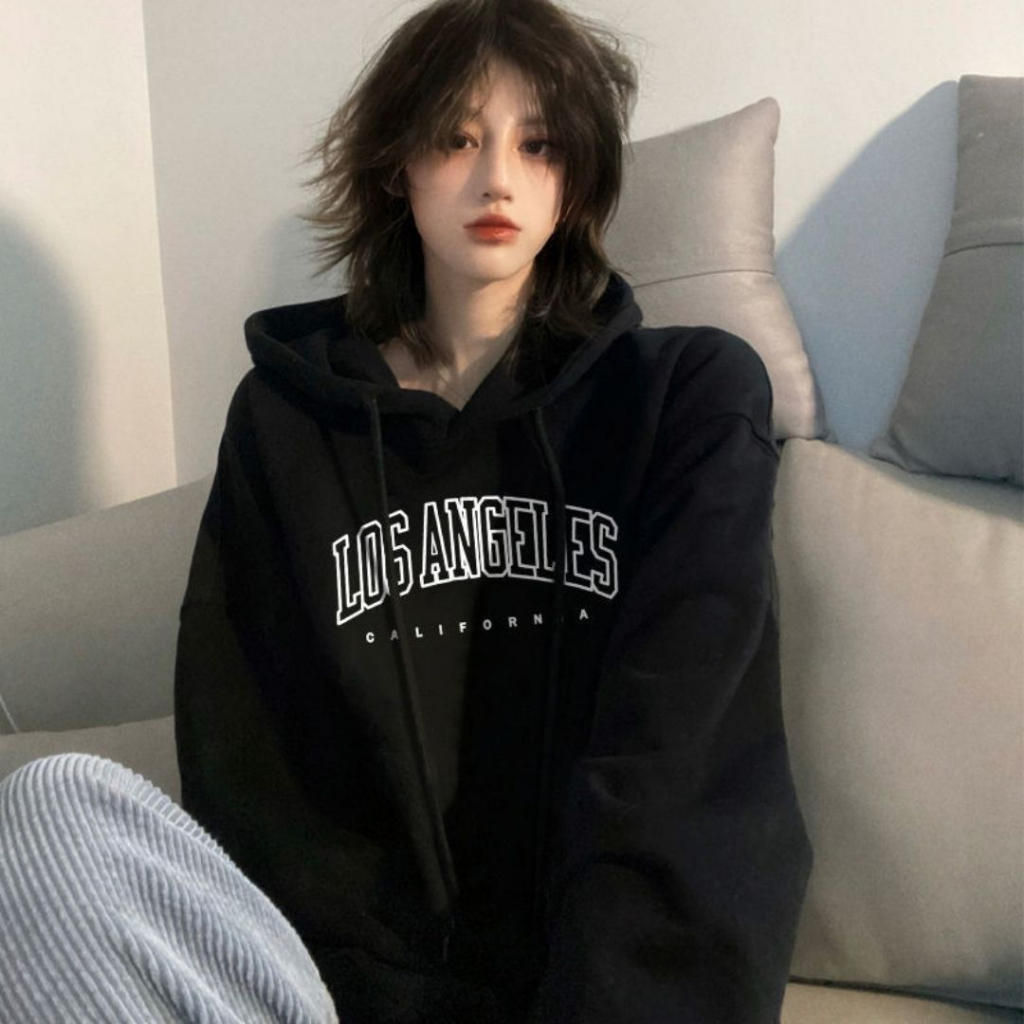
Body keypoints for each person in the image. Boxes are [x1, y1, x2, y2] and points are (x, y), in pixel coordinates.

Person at [0, 0, 812, 1021]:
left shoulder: (684, 395)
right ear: (398, 166)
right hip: (337, 995)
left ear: (578, 179)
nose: (497, 179)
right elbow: (253, 761)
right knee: (50, 804)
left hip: (595, 990)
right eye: (456, 138)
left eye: (539, 144)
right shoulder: (284, 421)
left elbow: (684, 759)